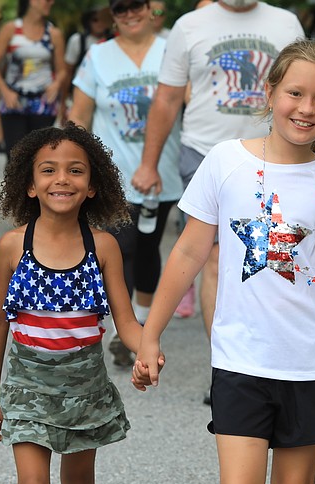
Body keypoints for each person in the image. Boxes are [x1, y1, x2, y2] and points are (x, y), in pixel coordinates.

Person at [134, 39, 315, 484]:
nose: (306, 109)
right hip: (241, 360)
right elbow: (189, 252)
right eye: (294, 93)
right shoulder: (225, 162)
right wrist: (151, 334)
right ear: (270, 93)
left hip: (311, 363)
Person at [0, 124, 161, 484]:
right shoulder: (12, 247)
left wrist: (147, 349)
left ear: (93, 184)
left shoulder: (103, 247)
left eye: (75, 171)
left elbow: (126, 322)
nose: (62, 179)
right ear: (29, 184)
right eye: (48, 170)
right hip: (27, 391)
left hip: (85, 391)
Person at [130, 0, 303, 402]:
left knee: (274, 261)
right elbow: (168, 99)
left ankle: (273, 360)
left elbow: (311, 89)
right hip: (206, 153)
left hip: (275, 153)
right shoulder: (190, 26)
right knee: (216, 257)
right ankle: (226, 367)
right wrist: (149, 164)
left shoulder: (286, 23)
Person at [67, 0, 183, 366]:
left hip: (162, 170)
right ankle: (125, 328)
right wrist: (75, 170)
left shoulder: (172, 50)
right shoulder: (97, 56)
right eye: (120, 8)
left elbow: (193, 105)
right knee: (121, 248)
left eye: (136, 6)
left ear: (154, 9)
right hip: (111, 177)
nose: (129, 14)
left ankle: (142, 323)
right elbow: (78, 118)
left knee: (149, 247)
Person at [0, 0, 67, 159]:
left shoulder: (53, 33)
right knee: (15, 158)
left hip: (43, 103)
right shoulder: (11, 29)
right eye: (47, 0)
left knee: (39, 159)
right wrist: (5, 90)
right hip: (14, 101)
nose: (51, 3)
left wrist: (56, 84)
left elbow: (62, 70)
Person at [62, 6, 112, 114]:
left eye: (103, 19)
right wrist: (63, 101)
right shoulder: (77, 40)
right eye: (95, 20)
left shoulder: (114, 42)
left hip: (106, 95)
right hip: (80, 93)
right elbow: (68, 72)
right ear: (88, 21)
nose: (99, 23)